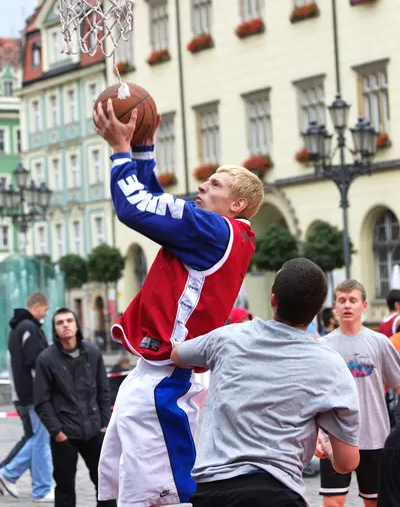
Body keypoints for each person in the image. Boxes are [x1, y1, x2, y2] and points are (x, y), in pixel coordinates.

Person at [93, 100, 264, 506]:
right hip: (156, 374)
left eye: (216, 185)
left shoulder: (213, 230)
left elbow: (134, 207)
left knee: (162, 494)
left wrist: (120, 149)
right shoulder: (221, 232)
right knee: (114, 484)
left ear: (237, 205)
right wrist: (143, 152)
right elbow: (154, 202)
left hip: (166, 379)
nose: (202, 186)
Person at [172, 258, 361, 507]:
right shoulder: (331, 366)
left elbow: (177, 354)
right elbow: (347, 463)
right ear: (318, 310)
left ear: (273, 300)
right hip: (276, 492)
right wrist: (327, 446)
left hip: (211, 491)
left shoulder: (228, 338)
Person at [319, 279, 400, 507]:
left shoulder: (380, 342)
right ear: (334, 305)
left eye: (353, 300)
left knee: (374, 502)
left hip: (375, 436)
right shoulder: (323, 346)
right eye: (342, 300)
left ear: (363, 306)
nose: (347, 305)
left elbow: (398, 384)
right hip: (334, 436)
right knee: (333, 501)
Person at [34, 308, 116, 507]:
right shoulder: (46, 359)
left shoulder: (93, 353)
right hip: (65, 435)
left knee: (106, 487)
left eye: (69, 320)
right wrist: (57, 432)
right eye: (60, 322)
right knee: (65, 489)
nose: (65, 325)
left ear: (76, 324)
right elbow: (41, 401)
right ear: (55, 329)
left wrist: (104, 424)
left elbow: (104, 391)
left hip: (95, 431)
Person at [0, 292, 53, 502]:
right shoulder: (29, 328)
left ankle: (39, 487)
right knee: (40, 440)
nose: (46, 314)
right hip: (34, 394)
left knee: (37, 438)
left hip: (25, 394)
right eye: (45, 310)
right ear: (37, 306)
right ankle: (10, 474)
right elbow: (37, 363)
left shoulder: (18, 328)